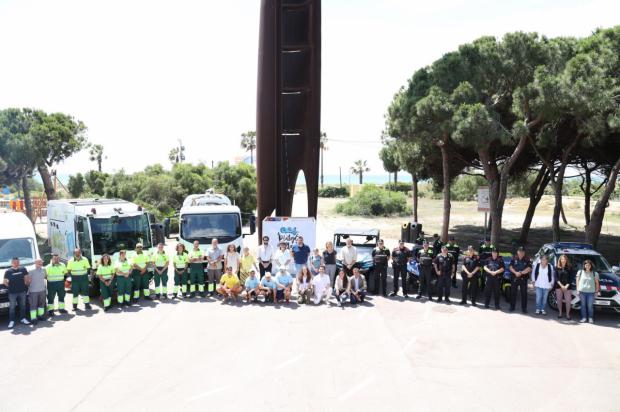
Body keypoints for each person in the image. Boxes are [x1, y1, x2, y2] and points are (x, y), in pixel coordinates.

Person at [3, 257, 30, 328]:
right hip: (12, 293)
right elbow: (5, 282)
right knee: (12, 307)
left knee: (23, 306)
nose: (16, 263)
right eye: (14, 262)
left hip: (22, 291)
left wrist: (26, 285)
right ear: (12, 263)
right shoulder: (8, 271)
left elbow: (27, 278)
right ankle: (12, 321)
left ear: (19, 262)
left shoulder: (23, 269)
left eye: (17, 262)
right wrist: (11, 287)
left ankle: (23, 318)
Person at [508, 246, 532, 313]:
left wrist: (521, 272)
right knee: (513, 293)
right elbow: (510, 267)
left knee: (524, 294)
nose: (521, 253)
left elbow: (529, 268)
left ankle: (524, 308)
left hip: (523, 279)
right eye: (519, 251)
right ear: (517, 252)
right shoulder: (514, 258)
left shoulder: (527, 259)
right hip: (514, 278)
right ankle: (512, 307)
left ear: (524, 252)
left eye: (522, 251)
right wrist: (515, 272)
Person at [576, 259, 600, 324]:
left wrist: (596, 292)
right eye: (586, 265)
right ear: (584, 265)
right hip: (582, 292)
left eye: (589, 265)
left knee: (590, 306)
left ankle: (590, 318)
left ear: (591, 266)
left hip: (591, 293)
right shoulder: (580, 272)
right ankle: (584, 318)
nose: (587, 266)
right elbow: (577, 281)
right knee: (583, 305)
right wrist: (577, 290)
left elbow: (597, 283)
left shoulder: (595, 273)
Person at [28, 259, 47, 325]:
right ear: (35, 263)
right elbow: (28, 281)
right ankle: (33, 319)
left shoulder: (44, 269)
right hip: (33, 291)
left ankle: (40, 316)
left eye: (41, 262)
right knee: (33, 305)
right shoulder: (31, 271)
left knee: (41, 304)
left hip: (42, 290)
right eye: (39, 262)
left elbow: (45, 277)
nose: (41, 263)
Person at [555, 254, 574, 320]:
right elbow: (556, 278)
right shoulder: (557, 267)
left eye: (564, 259)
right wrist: (561, 286)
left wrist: (566, 286)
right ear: (560, 260)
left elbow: (571, 278)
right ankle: (560, 313)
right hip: (559, 286)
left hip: (567, 287)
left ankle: (567, 314)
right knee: (559, 300)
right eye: (562, 259)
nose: (563, 260)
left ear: (566, 260)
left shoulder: (570, 267)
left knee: (568, 301)